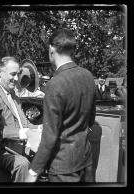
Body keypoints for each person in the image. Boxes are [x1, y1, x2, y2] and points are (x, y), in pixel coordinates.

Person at [25, 29, 96, 182]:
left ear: (51, 50)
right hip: (86, 160)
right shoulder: (88, 76)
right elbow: (90, 120)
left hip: (63, 167)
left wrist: (33, 171)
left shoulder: (55, 84)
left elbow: (49, 137)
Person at [0, 56, 42, 182]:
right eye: (13, 74)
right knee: (22, 164)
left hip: (19, 148)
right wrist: (23, 133)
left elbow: (25, 122)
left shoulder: (13, 95)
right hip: (2, 151)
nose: (16, 79)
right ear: (0, 73)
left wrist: (39, 128)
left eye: (17, 74)